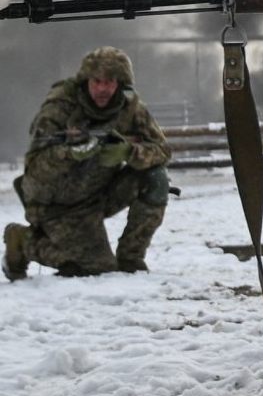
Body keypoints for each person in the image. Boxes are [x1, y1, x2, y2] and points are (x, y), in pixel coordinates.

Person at [4, 46, 171, 280]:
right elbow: (35, 171)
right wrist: (70, 154)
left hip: (100, 193)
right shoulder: (59, 108)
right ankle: (23, 242)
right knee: (94, 269)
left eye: (110, 82)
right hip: (56, 205)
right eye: (97, 81)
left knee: (156, 178)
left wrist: (130, 152)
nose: (102, 88)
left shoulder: (130, 109)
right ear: (86, 80)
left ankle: (130, 258)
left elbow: (162, 151)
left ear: (121, 84)